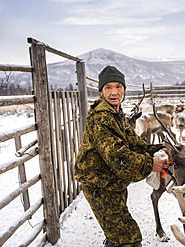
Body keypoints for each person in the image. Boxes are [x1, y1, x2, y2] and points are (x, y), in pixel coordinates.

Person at [75, 65, 171, 247]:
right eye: (108, 87)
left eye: (118, 87)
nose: (114, 92)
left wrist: (157, 149)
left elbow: (134, 143)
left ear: (124, 90)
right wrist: (150, 164)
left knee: (118, 236)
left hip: (111, 184)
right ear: (101, 91)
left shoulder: (116, 114)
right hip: (100, 188)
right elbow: (119, 157)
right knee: (129, 239)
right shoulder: (101, 118)